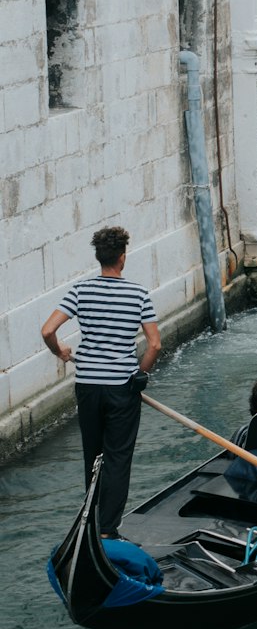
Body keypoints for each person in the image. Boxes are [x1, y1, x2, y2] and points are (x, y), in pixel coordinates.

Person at [41, 226, 160, 539]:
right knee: (118, 458)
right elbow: (155, 345)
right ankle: (107, 530)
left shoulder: (80, 291)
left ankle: (90, 522)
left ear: (99, 258)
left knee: (93, 455)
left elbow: (47, 331)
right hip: (121, 386)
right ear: (122, 258)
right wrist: (140, 375)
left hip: (88, 385)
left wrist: (61, 351)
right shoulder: (138, 294)